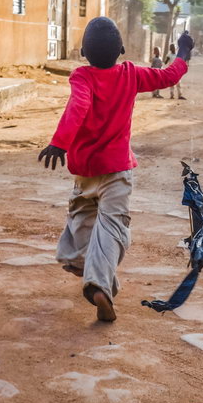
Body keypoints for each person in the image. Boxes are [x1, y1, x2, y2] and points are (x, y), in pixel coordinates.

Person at [38, 18, 193, 322]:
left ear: (83, 51)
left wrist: (60, 143)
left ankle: (95, 279)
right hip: (118, 172)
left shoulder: (82, 77)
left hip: (85, 174)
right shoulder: (132, 74)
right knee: (110, 227)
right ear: (122, 49)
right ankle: (99, 283)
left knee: (82, 224)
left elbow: (78, 107)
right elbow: (169, 76)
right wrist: (184, 52)